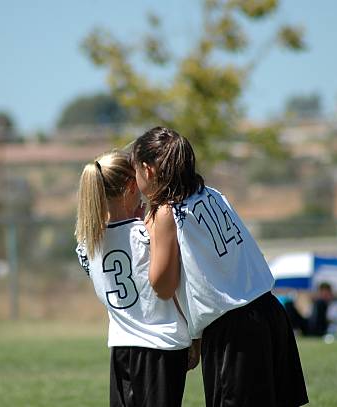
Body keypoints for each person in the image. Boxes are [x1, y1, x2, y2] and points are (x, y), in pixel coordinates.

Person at [130, 127, 309, 407]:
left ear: (147, 170)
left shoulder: (165, 212)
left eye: (136, 172)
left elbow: (162, 286)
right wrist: (198, 335)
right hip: (271, 313)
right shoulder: (212, 194)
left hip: (235, 333)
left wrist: (151, 231)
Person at [75, 149, 198, 407]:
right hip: (162, 346)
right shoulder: (147, 233)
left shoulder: (87, 242)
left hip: (121, 348)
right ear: (131, 186)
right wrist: (194, 338)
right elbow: (172, 289)